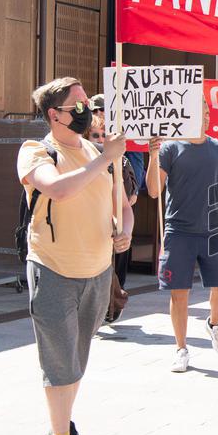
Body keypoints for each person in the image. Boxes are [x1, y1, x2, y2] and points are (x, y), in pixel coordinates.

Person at [17, 77, 133, 435]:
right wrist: (106, 158)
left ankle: (61, 421)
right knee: (59, 362)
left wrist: (127, 231)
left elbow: (121, 204)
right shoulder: (36, 151)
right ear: (55, 114)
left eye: (87, 102)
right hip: (53, 269)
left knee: (77, 360)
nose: (87, 110)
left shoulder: (95, 152)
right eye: (78, 104)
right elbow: (58, 190)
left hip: (97, 271)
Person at [146, 103, 218, 373]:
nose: (207, 118)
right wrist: (153, 155)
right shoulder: (170, 148)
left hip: (214, 231)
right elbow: (154, 191)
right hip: (179, 231)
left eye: (209, 113)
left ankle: (213, 323)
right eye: (201, 113)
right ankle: (181, 349)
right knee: (179, 293)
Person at [85, 111, 138, 323]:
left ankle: (113, 302)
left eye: (103, 136)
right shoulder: (74, 162)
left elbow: (125, 205)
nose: (99, 140)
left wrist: (126, 232)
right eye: (94, 135)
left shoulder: (116, 163)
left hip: (104, 234)